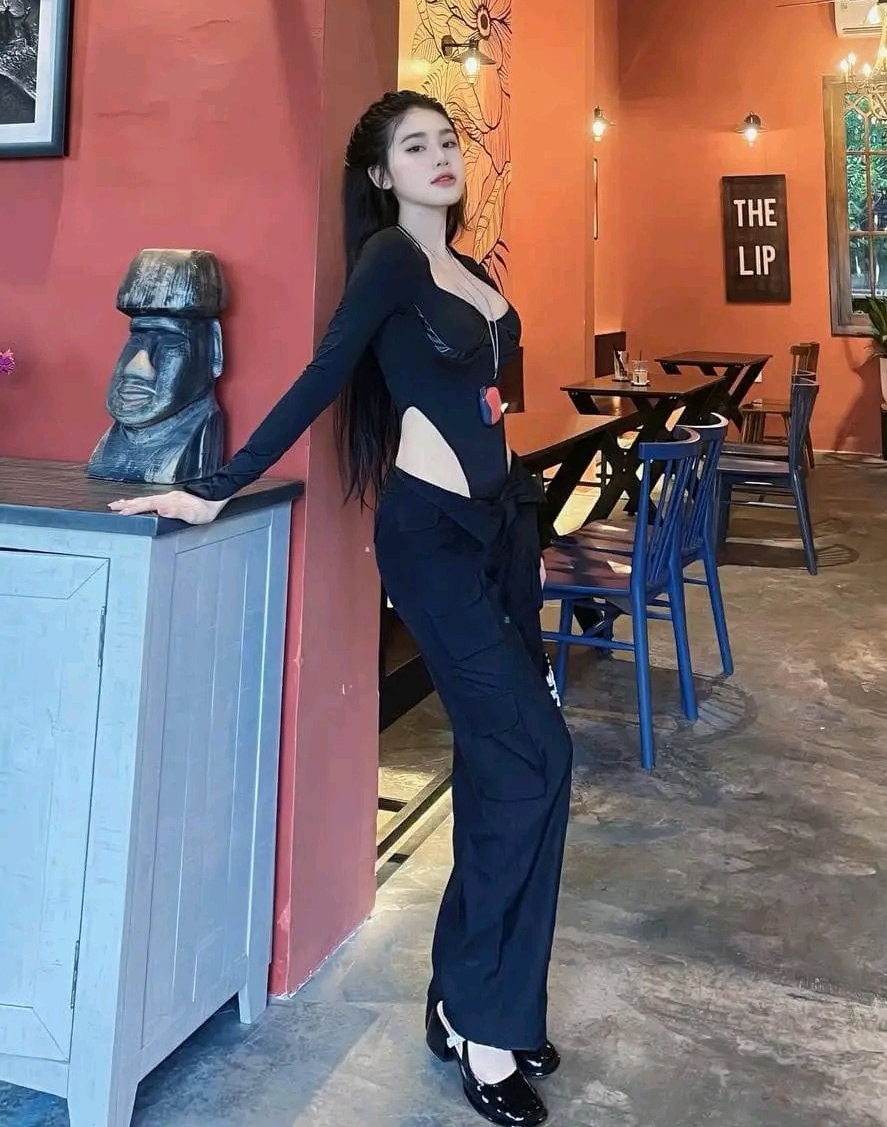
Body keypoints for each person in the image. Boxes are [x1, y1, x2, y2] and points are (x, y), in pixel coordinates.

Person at [108, 90, 574, 1127]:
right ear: (380, 174)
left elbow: (491, 407)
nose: (441, 156)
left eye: (448, 141)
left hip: (501, 530)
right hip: (432, 541)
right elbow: (327, 372)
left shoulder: (473, 271)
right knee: (537, 756)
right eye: (416, 146)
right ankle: (485, 1019)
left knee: (507, 763)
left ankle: (469, 998)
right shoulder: (392, 263)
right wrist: (216, 484)